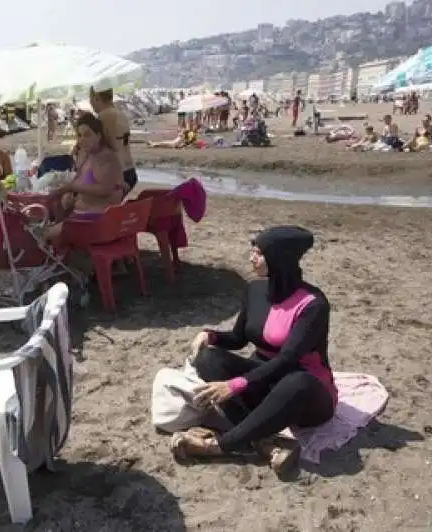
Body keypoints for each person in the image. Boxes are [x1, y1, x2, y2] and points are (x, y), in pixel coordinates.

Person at [172, 226, 336, 474]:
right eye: (252, 250)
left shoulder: (313, 305)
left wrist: (234, 385)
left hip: (306, 394)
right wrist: (210, 335)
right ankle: (263, 442)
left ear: (278, 258)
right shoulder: (255, 290)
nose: (251, 258)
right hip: (264, 379)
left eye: (259, 253)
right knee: (207, 359)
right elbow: (239, 338)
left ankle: (219, 445)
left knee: (298, 381)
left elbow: (288, 360)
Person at [44, 113, 124, 240]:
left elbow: (104, 189)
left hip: (98, 221)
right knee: (52, 212)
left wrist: (70, 188)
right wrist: (72, 196)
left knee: (42, 235)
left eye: (87, 135)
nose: (82, 139)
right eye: (80, 135)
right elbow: (84, 181)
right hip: (83, 215)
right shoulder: (89, 156)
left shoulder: (107, 157)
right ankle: (59, 253)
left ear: (98, 136)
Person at [90, 87, 138, 191]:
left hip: (118, 173)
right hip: (129, 169)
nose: (91, 104)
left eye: (91, 99)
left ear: (97, 97)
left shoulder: (105, 116)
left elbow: (110, 146)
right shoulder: (120, 114)